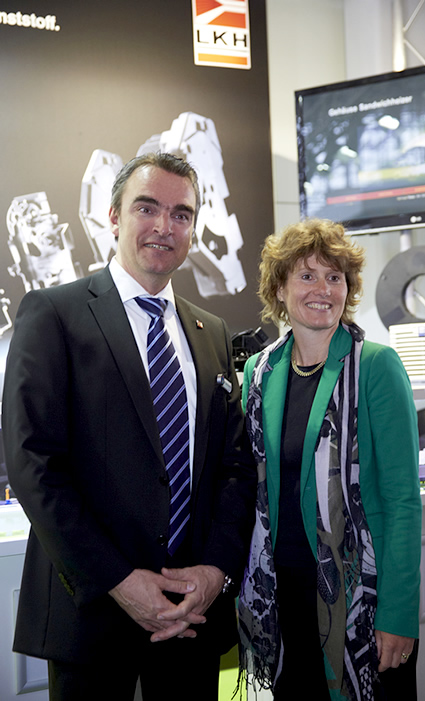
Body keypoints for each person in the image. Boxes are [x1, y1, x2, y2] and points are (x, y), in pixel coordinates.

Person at [2, 152, 256, 701]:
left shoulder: (210, 331)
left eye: (182, 214)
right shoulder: (54, 313)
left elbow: (234, 467)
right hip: (91, 616)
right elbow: (32, 463)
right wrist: (119, 581)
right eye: (147, 208)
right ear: (114, 217)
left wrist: (215, 571)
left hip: (191, 614)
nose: (165, 226)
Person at [237, 219, 422, 700]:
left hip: (363, 602)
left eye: (334, 277)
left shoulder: (377, 366)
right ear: (280, 289)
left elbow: (403, 501)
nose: (323, 289)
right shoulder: (259, 372)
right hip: (283, 598)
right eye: (307, 276)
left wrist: (398, 614)